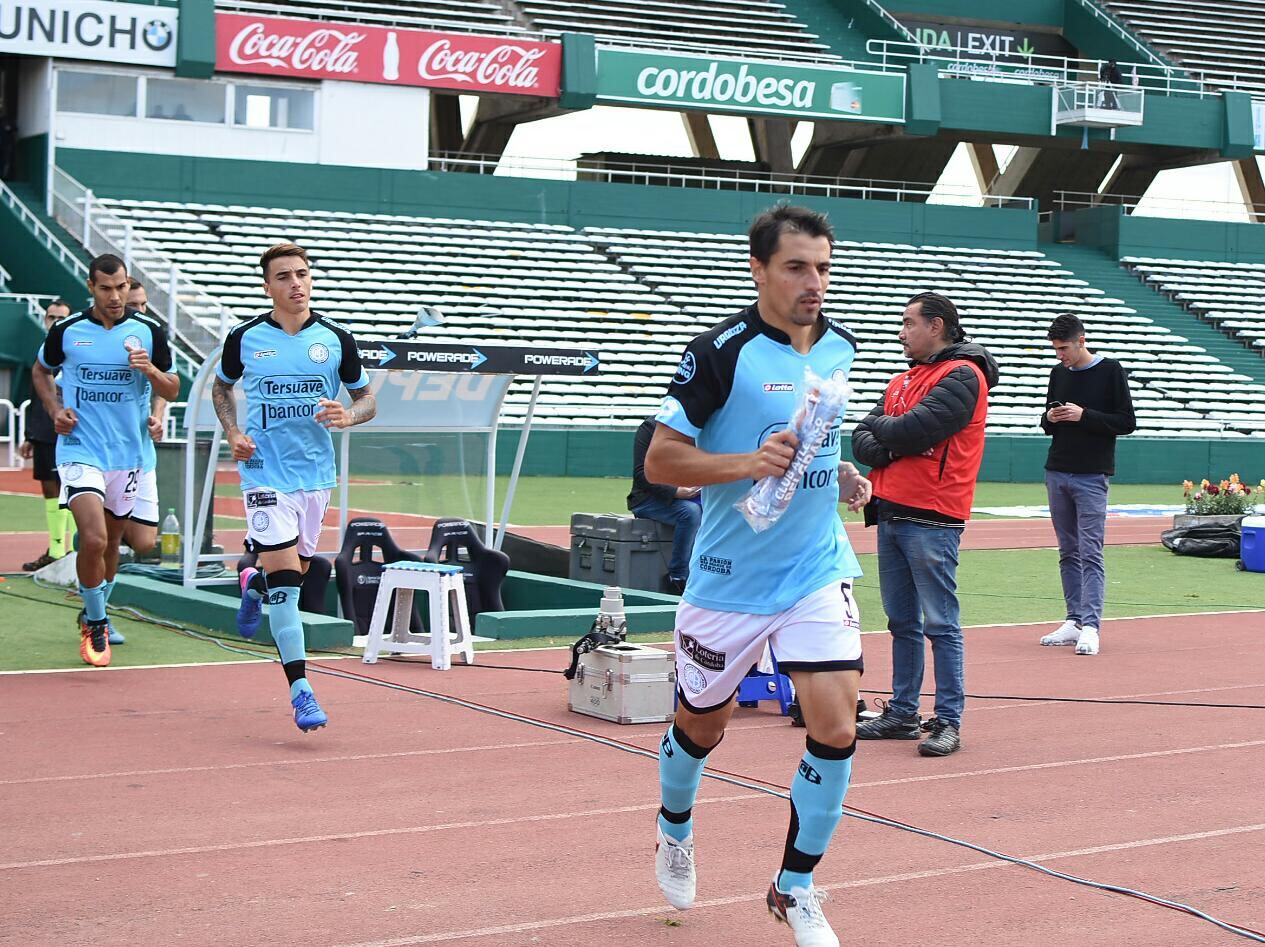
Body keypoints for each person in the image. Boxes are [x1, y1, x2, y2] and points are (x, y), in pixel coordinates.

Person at [645, 204, 872, 947]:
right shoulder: (719, 353)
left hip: (814, 567)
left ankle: (794, 885)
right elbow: (659, 461)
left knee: (836, 723)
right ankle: (674, 824)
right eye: (797, 267)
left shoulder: (840, 346)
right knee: (700, 725)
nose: (815, 282)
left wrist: (835, 471)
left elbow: (813, 437)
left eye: (824, 267)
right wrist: (747, 462)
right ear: (759, 269)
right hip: (726, 580)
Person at [213, 243, 376, 733]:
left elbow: (367, 397)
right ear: (269, 287)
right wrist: (233, 432)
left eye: (302, 274)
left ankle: (251, 582)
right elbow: (222, 388)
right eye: (283, 277)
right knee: (288, 586)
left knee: (296, 571)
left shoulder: (335, 339)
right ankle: (301, 690)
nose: (296, 284)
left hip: (314, 478)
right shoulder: (244, 339)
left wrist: (348, 415)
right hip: (263, 473)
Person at [851, 292, 998, 758]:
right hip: (892, 511)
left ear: (937, 327)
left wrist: (890, 437)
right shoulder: (904, 379)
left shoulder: (963, 375)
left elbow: (911, 429)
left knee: (940, 623)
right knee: (901, 622)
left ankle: (948, 720)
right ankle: (902, 713)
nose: (901, 333)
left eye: (908, 324)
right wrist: (892, 441)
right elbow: (862, 434)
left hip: (932, 517)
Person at [32, 255, 179, 667]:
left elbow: (171, 387)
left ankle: (94, 608)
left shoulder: (149, 332)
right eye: (105, 289)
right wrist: (54, 410)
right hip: (81, 449)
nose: (115, 297)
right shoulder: (67, 330)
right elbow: (41, 372)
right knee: (94, 538)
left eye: (120, 288)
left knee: (116, 542)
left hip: (129, 454)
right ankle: (95, 622)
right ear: (91, 286)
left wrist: (149, 369)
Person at [1037, 314, 1135, 656]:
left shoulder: (1111, 370)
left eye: (1063, 348)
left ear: (1082, 340)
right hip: (1057, 470)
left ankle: (1091, 625)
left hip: (1092, 474)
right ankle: (1073, 619)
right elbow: (1047, 423)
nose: (1059, 355)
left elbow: (1127, 421)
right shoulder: (1058, 373)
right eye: (1055, 349)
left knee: (1090, 552)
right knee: (1067, 551)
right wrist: (1049, 418)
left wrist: (1085, 415)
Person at [20, 299, 73, 572]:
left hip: (70, 431)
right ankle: (58, 549)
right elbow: (37, 396)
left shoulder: (74, 350)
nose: (54, 322)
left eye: (60, 318)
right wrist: (30, 435)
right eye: (51, 317)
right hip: (43, 433)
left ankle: (71, 550)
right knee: (51, 490)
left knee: (73, 490)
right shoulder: (44, 352)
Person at [120, 277, 166, 586]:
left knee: (146, 542)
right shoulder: (98, 336)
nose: (140, 310)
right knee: (104, 536)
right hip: (98, 452)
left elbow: (165, 384)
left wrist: (157, 416)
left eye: (143, 304)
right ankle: (97, 615)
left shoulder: (151, 337)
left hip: (139, 451)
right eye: (133, 305)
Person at [627, 415, 701, 594]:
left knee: (717, 510)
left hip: (688, 494)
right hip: (648, 498)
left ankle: (705, 574)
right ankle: (677, 576)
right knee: (690, 513)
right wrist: (675, 491)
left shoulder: (699, 430)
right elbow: (641, 473)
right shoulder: (650, 428)